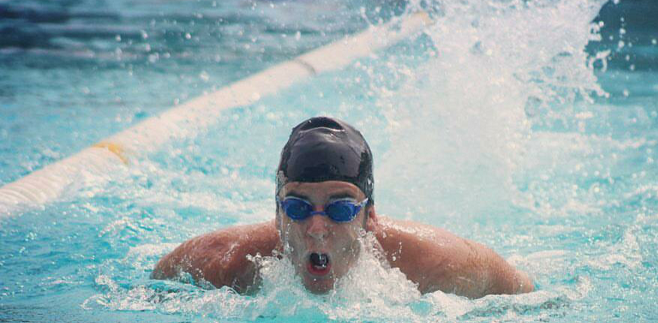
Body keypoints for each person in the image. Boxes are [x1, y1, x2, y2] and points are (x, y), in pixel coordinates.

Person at [152, 116, 533, 298]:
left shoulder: (440, 265)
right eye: (299, 208)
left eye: (340, 210)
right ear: (278, 215)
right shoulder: (227, 264)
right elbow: (155, 284)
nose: (317, 228)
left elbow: (533, 298)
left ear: (370, 218)